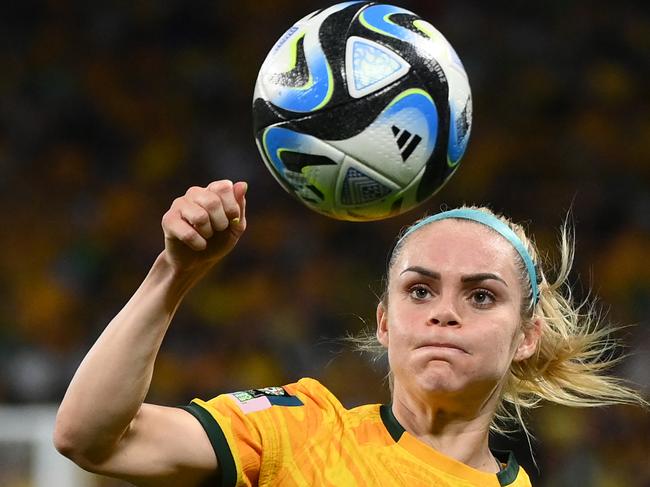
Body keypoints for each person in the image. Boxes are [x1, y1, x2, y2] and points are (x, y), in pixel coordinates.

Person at [53, 180, 646, 486]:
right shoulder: (300, 432)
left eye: (481, 295)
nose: (444, 313)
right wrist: (173, 274)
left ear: (526, 337)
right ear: (385, 323)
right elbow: (92, 438)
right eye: (419, 290)